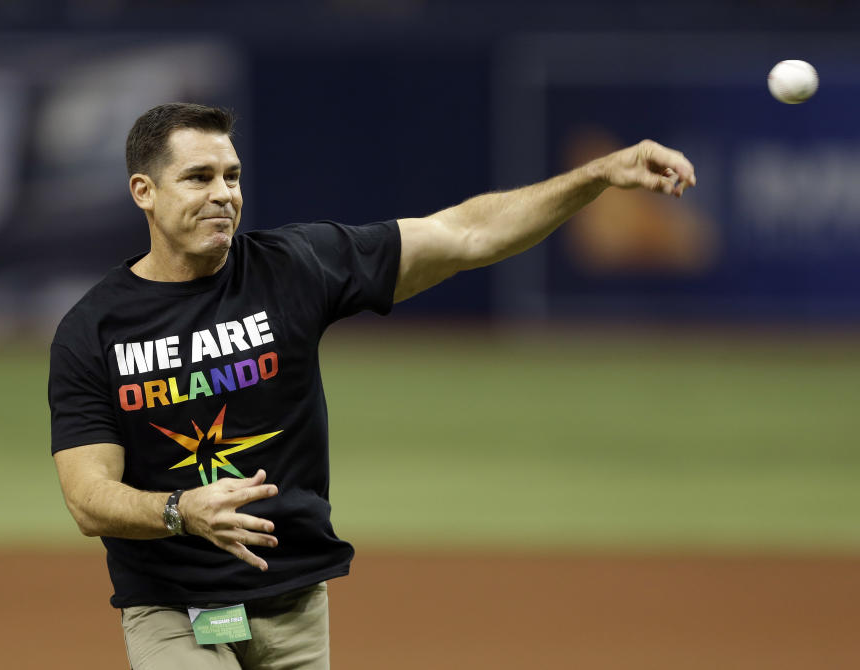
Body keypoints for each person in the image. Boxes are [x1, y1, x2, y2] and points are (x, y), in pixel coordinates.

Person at [49, 102, 696, 670]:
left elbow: (465, 233)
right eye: (198, 177)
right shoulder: (94, 330)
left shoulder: (292, 270)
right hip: (172, 606)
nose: (224, 193)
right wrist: (178, 511)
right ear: (144, 191)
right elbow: (87, 497)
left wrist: (598, 176)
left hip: (293, 598)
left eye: (233, 176)